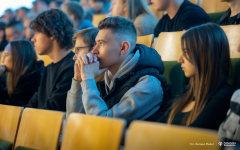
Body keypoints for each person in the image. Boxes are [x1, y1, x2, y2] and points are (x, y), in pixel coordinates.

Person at [66, 16, 172, 124]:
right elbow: (74, 120)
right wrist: (78, 80)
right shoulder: (105, 77)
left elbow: (103, 125)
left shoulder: (149, 85)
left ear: (123, 48)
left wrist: (88, 80)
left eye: (101, 43)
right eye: (95, 43)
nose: (94, 51)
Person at [157, 23, 234, 130]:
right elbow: (156, 127)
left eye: (186, 52)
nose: (179, 60)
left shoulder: (223, 96)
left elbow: (191, 137)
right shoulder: (188, 91)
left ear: (206, 55)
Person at [25, 9, 75, 111]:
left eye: (37, 33)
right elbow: (33, 104)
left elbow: (51, 110)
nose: (32, 39)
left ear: (53, 33)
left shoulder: (72, 68)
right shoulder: (48, 68)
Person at [0, 40, 44, 106]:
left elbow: (11, 109)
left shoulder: (32, 80)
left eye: (6, 55)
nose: (2, 61)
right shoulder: (18, 76)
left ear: (19, 57)